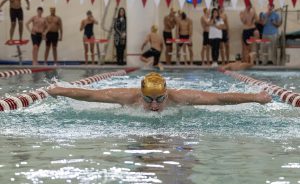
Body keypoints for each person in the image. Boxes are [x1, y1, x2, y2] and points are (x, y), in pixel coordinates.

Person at [47, 72, 272, 112]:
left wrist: (256, 98)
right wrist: (60, 90)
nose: (154, 106)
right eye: (148, 100)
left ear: (167, 94)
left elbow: (219, 98)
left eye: (159, 99)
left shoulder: (180, 97)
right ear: (140, 94)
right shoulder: (127, 96)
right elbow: (90, 95)